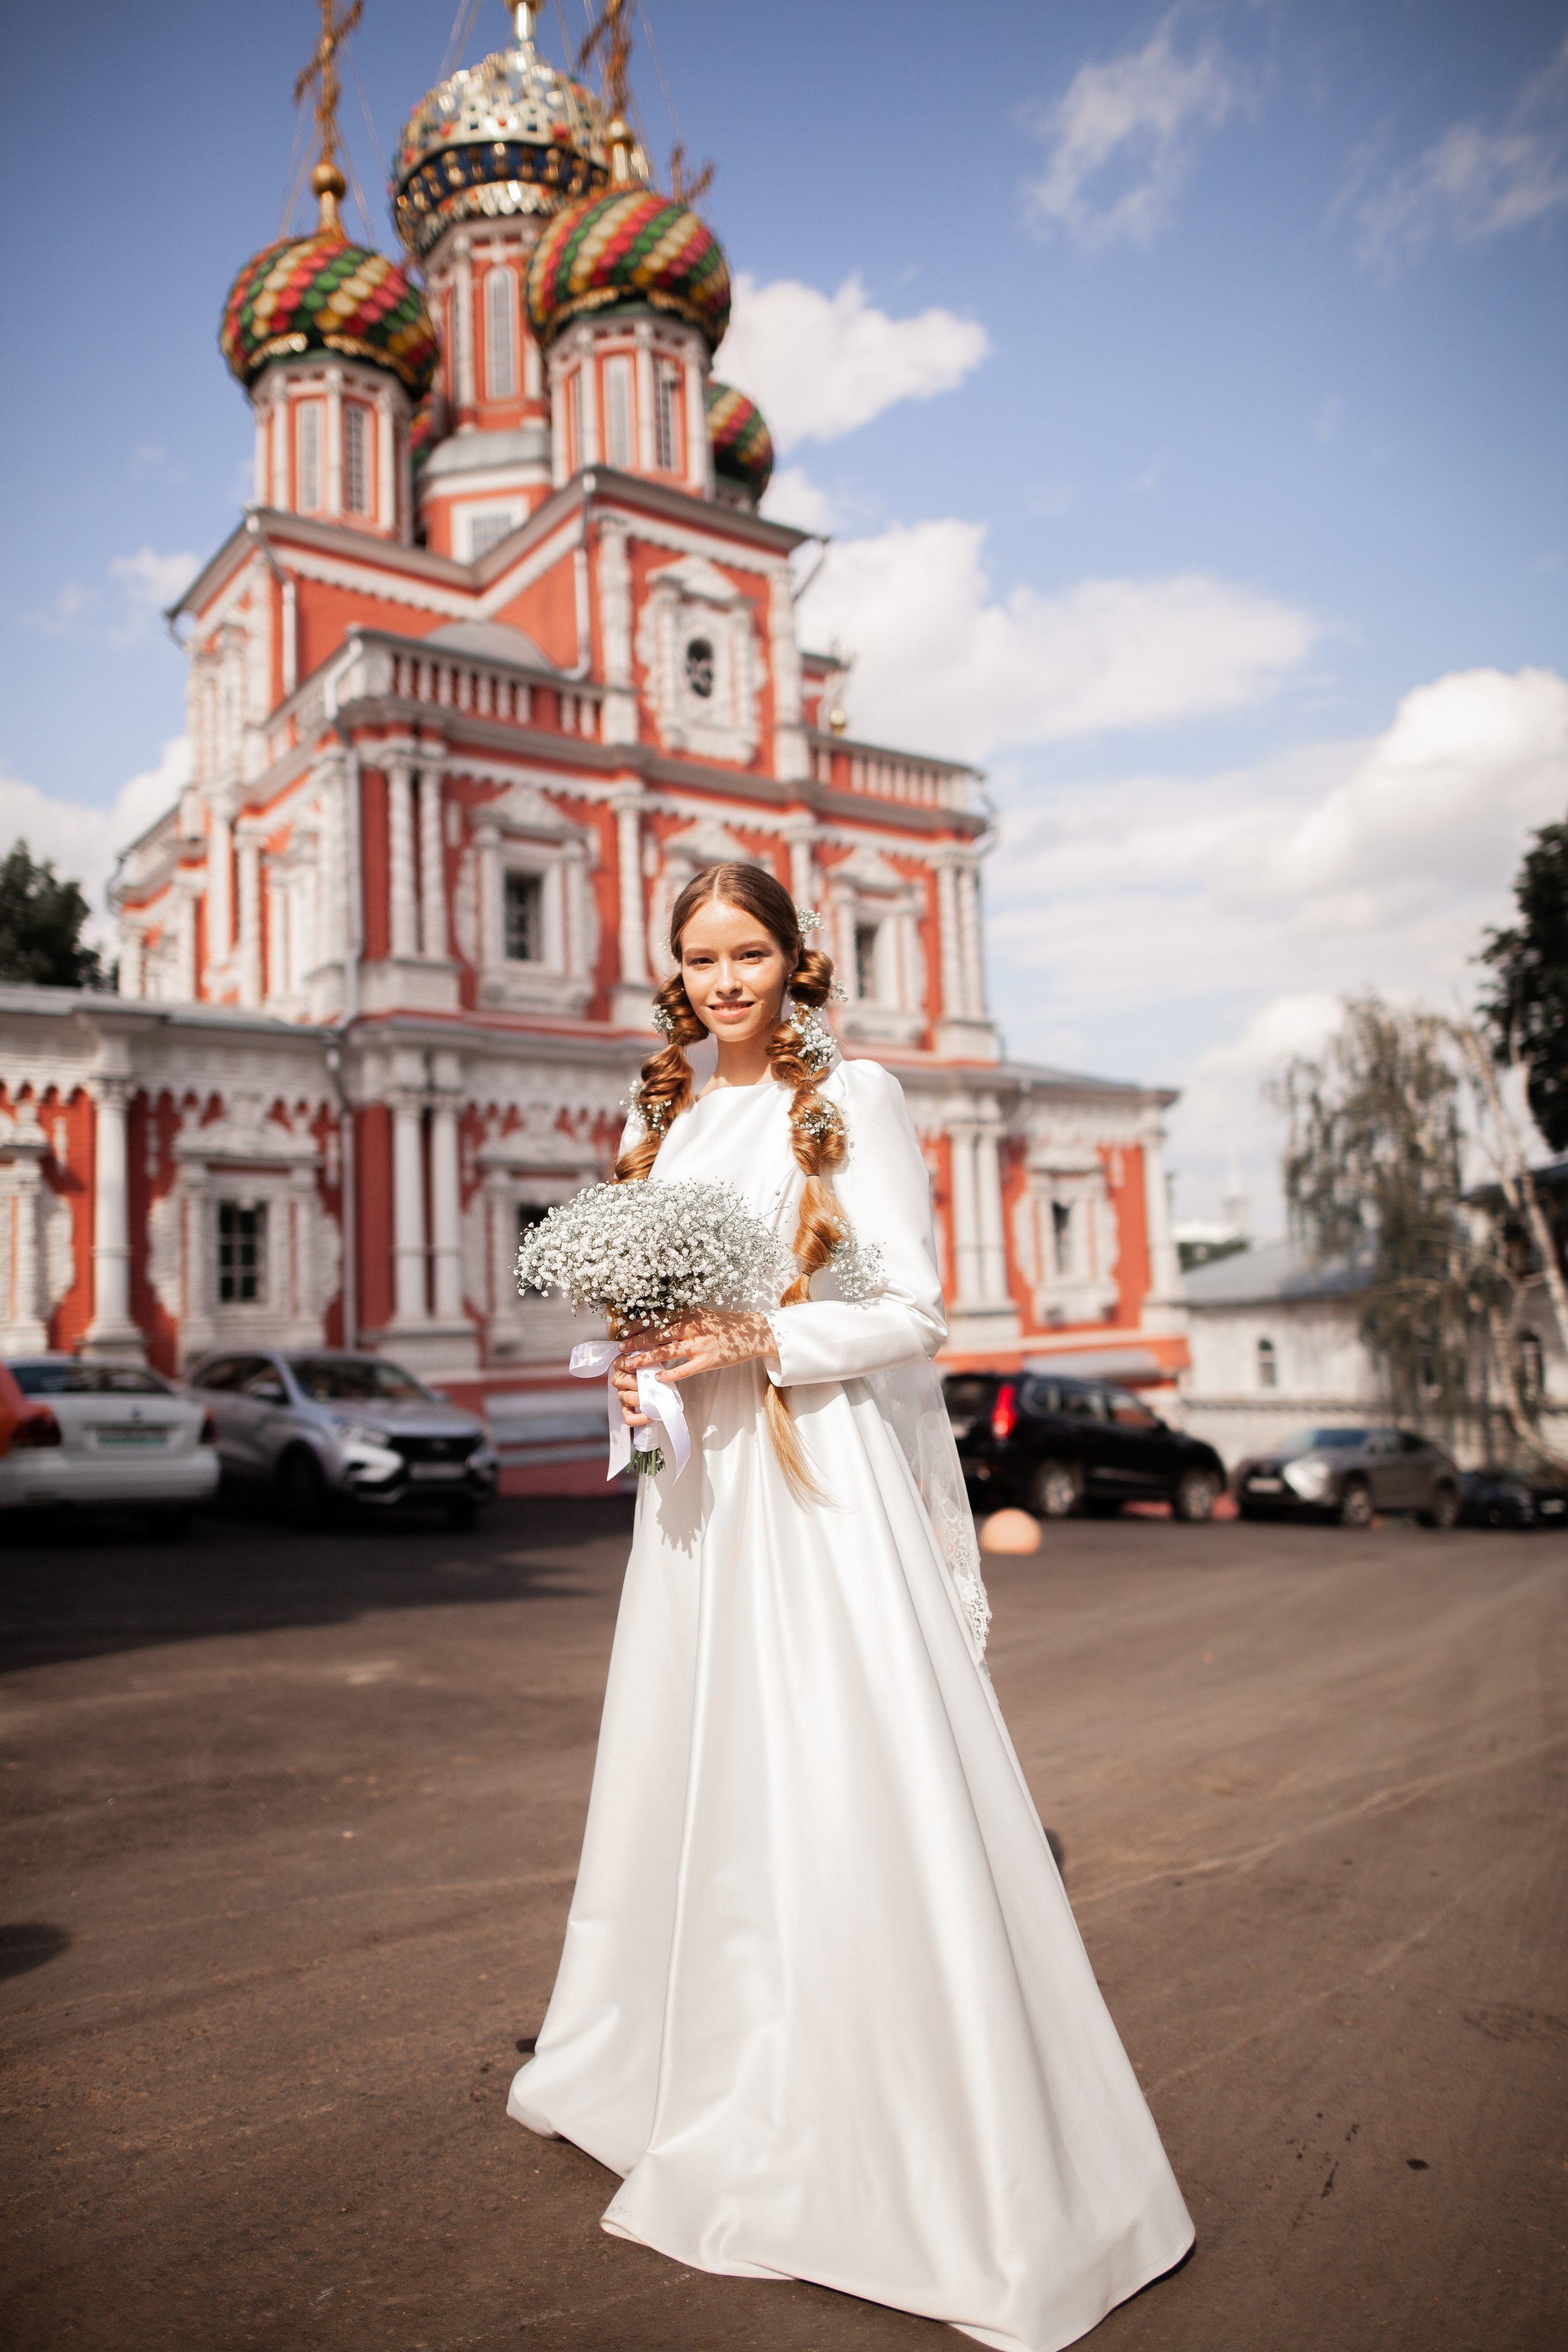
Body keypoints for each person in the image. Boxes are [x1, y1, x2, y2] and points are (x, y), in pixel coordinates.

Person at [508, 861, 1193, 2350]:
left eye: (748, 951)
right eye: (699, 957)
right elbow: (654, 1317)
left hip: (814, 1490)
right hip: (701, 1500)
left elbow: (915, 1310)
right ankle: (681, 2073)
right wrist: (641, 1367)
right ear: (673, 974)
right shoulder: (661, 1117)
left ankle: (874, 2125)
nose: (724, 980)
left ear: (795, 961)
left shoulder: (856, 1099)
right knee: (698, 1775)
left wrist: (757, 1334)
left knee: (834, 1776)